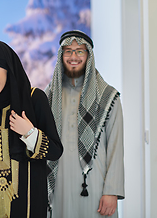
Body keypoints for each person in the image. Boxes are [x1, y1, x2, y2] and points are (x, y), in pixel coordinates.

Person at [0, 39, 63, 218]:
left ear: (8, 66)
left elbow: (55, 151)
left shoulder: (34, 99)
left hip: (28, 203)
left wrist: (29, 133)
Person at [45, 30, 125, 217]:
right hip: (59, 185)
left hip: (95, 186)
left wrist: (111, 191)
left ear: (89, 55)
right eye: (68, 51)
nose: (74, 57)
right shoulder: (48, 96)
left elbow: (115, 146)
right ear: (61, 55)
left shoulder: (108, 97)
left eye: (80, 51)